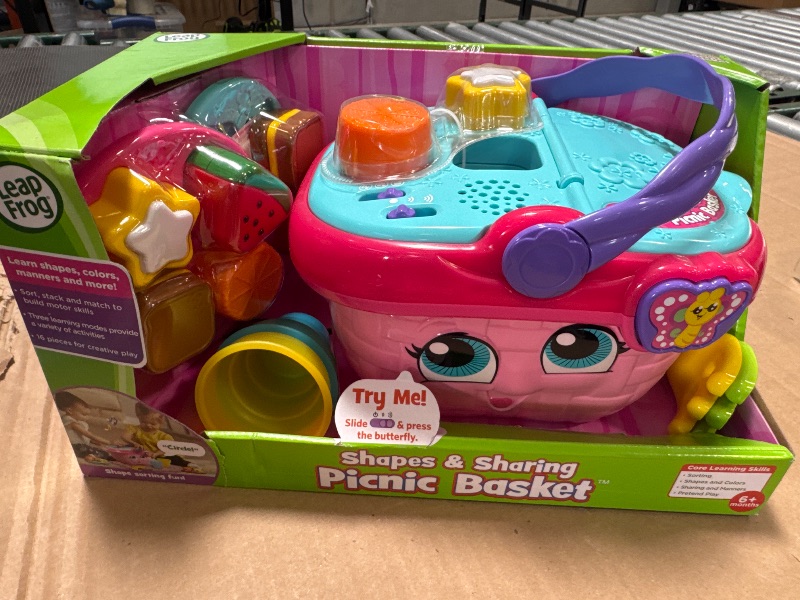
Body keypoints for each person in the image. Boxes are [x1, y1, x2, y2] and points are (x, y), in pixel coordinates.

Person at [121, 403, 190, 467]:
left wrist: (155, 454)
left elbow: (167, 448)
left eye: (153, 424)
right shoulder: (134, 428)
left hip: (157, 455)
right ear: (139, 418)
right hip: (138, 454)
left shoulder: (164, 436)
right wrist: (134, 443)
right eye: (143, 422)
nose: (148, 425)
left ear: (160, 423)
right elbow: (125, 436)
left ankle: (188, 464)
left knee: (175, 459)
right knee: (123, 451)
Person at [54, 391, 113, 462]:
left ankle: (95, 455)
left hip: (79, 446)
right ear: (70, 411)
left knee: (101, 451)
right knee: (99, 452)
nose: (87, 418)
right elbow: (89, 435)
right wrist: (110, 442)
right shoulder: (72, 423)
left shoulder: (78, 422)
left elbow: (86, 438)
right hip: (73, 447)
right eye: (83, 415)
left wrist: (99, 443)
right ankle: (92, 456)